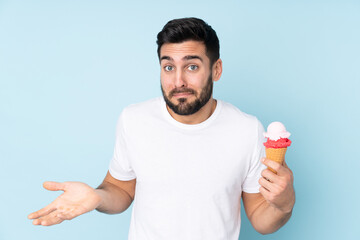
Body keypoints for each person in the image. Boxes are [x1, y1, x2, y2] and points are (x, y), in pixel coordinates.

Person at [28, 17, 295, 239]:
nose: (178, 81)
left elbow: (261, 220)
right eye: (168, 67)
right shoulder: (134, 119)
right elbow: (120, 191)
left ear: (216, 69)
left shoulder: (246, 129)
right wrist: (96, 197)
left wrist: (284, 205)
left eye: (192, 66)